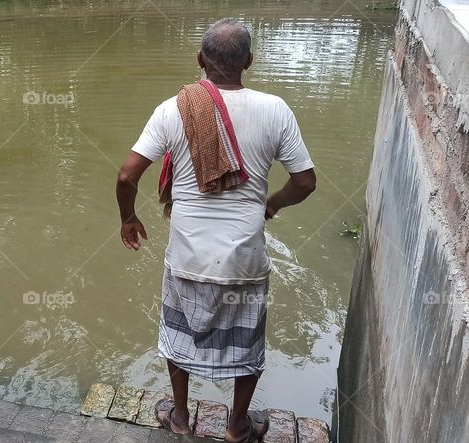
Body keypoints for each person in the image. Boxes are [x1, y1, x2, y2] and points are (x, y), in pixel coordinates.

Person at [115, 18, 316, 442]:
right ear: (249, 61)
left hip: (188, 254)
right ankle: (237, 426)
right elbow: (305, 182)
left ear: (200, 60)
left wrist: (128, 218)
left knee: (177, 337)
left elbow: (126, 176)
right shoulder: (275, 109)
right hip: (245, 256)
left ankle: (182, 418)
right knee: (247, 343)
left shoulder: (172, 109)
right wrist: (271, 204)